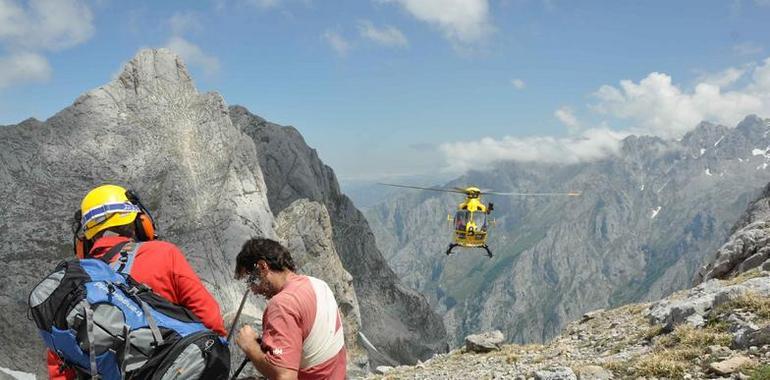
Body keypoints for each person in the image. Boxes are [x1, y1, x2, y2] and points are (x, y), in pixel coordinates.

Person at [47, 184, 227, 379]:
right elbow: (211, 320)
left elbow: (60, 367)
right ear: (139, 223)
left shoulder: (71, 287)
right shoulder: (164, 254)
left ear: (85, 240)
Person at [234, 238, 346, 380]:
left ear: (262, 267)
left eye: (251, 280)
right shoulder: (318, 285)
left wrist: (250, 346)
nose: (253, 290)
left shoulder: (282, 304)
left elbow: (285, 376)